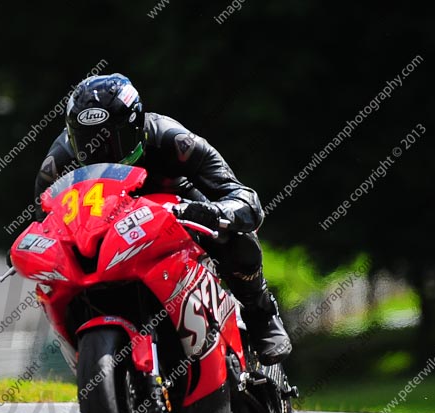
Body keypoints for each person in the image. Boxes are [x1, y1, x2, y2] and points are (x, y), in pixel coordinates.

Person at [33, 73, 291, 365]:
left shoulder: (173, 140)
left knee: (235, 238)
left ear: (136, 126)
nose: (99, 152)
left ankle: (262, 315)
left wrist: (217, 212)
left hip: (179, 209)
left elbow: (244, 198)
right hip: (106, 230)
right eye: (86, 142)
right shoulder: (57, 164)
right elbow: (46, 221)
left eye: (110, 139)